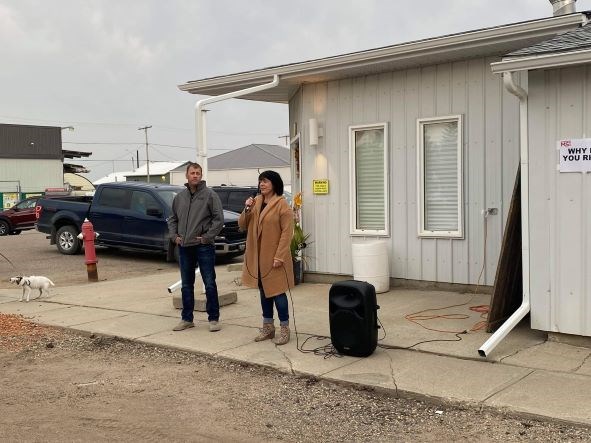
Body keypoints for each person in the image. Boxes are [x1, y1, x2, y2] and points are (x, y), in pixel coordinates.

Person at [239, 170, 294, 345]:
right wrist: (247, 208)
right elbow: (242, 225)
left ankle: (284, 328)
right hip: (259, 258)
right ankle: (268, 327)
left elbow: (287, 232)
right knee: (264, 292)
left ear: (274, 184)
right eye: (260, 181)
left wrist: (280, 256)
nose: (262, 184)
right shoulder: (256, 202)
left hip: (275, 257)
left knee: (278, 293)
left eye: (266, 181)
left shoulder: (282, 204)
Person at [168, 162, 224, 332]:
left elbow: (218, 219)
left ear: (201, 175)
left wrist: (207, 238)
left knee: (209, 283)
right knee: (186, 284)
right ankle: (187, 319)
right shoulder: (180, 197)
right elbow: (172, 219)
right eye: (192, 173)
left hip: (203, 247)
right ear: (187, 175)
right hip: (185, 247)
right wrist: (174, 236)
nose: (195, 176)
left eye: (198, 173)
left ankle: (213, 319)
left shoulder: (210, 195)